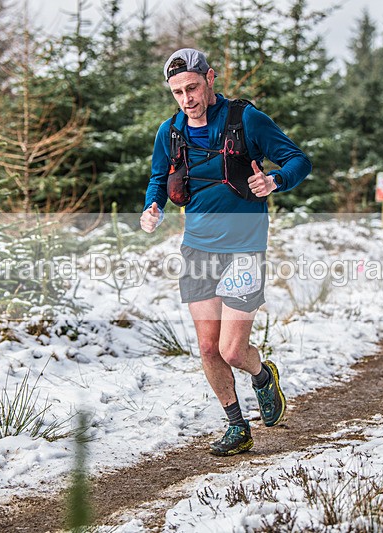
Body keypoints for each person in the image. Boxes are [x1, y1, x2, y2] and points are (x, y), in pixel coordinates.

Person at [140, 48, 311, 456]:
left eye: (193, 87)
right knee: (206, 348)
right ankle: (237, 425)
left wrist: (275, 180)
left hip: (245, 248)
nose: (187, 99)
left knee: (233, 350)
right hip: (198, 248)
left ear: (210, 78)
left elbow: (298, 160)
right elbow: (158, 178)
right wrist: (153, 206)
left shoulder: (245, 119)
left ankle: (262, 374)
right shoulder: (171, 131)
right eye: (178, 92)